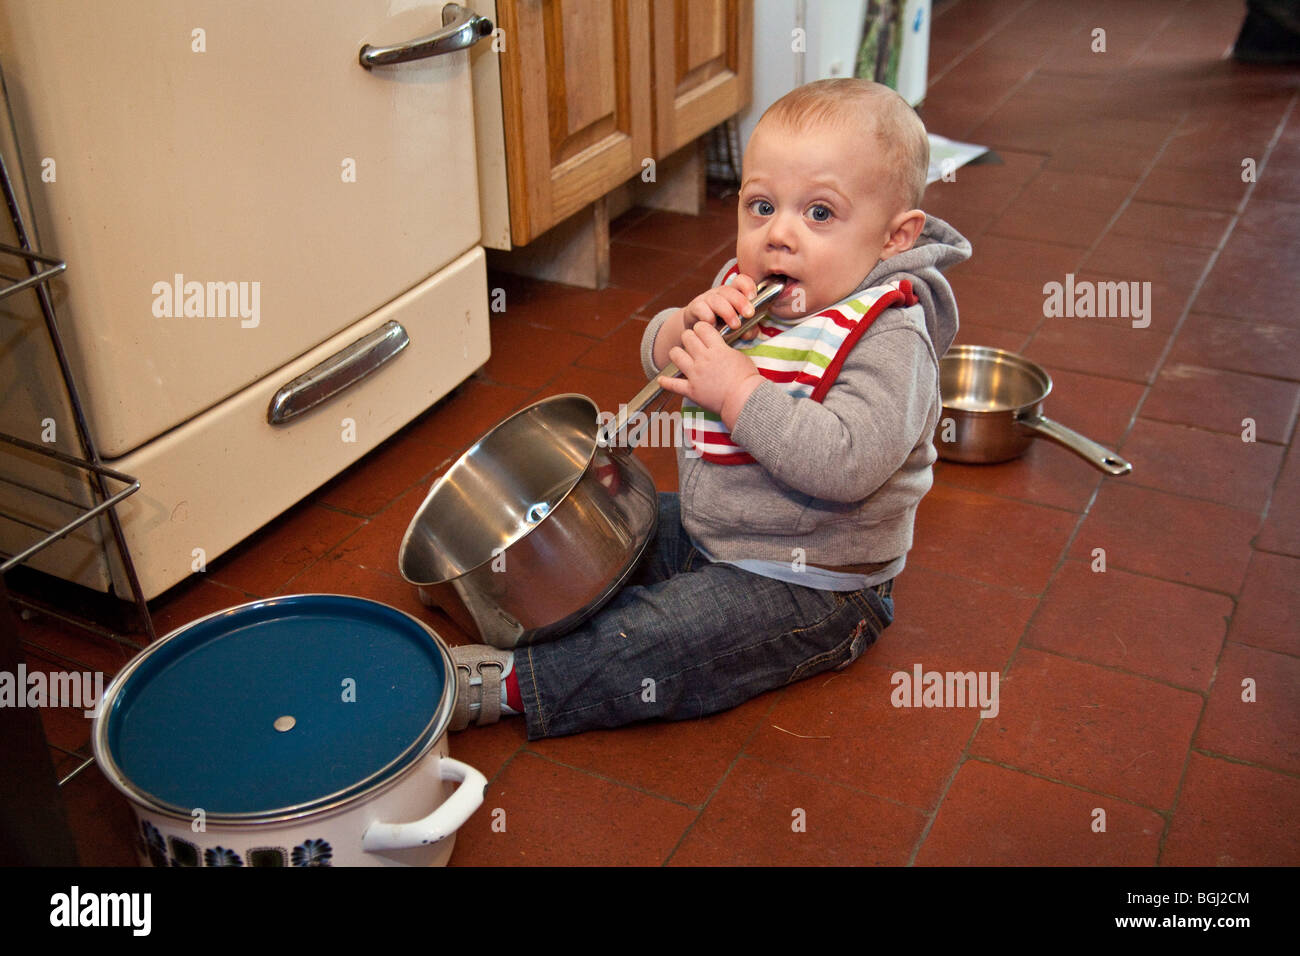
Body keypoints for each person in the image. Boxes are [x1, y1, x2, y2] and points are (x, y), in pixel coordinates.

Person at [448, 78, 971, 738]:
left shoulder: (890, 336)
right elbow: (665, 357)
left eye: (819, 214)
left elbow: (845, 465)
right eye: (760, 206)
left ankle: (519, 683)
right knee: (613, 521)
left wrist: (737, 391)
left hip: (809, 584)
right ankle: (495, 595)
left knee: (663, 637)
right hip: (713, 530)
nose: (777, 235)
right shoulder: (759, 290)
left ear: (896, 236)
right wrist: (680, 329)